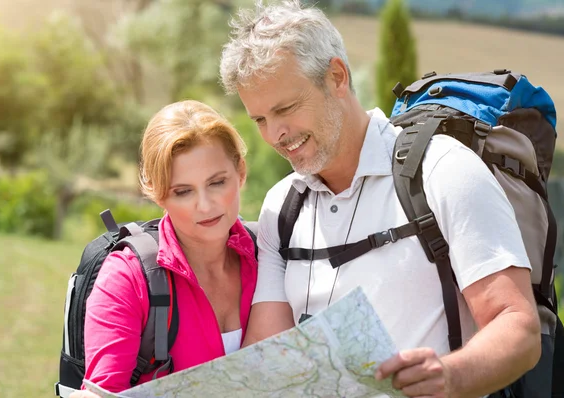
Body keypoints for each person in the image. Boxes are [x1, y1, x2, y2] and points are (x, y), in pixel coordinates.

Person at [219, 1, 541, 397]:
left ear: (337, 76)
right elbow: (266, 358)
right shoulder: (280, 207)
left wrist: (449, 376)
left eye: (285, 108)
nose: (275, 135)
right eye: (260, 120)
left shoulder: (442, 170)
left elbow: (519, 328)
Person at [70, 100, 258, 396]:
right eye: (182, 192)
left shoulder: (268, 253)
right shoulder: (126, 278)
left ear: (241, 173)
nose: (205, 206)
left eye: (217, 182)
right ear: (159, 195)